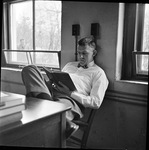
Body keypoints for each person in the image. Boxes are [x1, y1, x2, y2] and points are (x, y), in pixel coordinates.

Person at [21, 36, 109, 139]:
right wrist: (51, 82)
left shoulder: (98, 73)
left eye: (84, 53)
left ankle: (50, 108)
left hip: (69, 100)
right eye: (79, 53)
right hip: (51, 93)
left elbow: (95, 102)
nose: (80, 56)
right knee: (29, 69)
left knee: (37, 109)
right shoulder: (69, 65)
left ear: (93, 53)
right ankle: (61, 118)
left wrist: (70, 93)